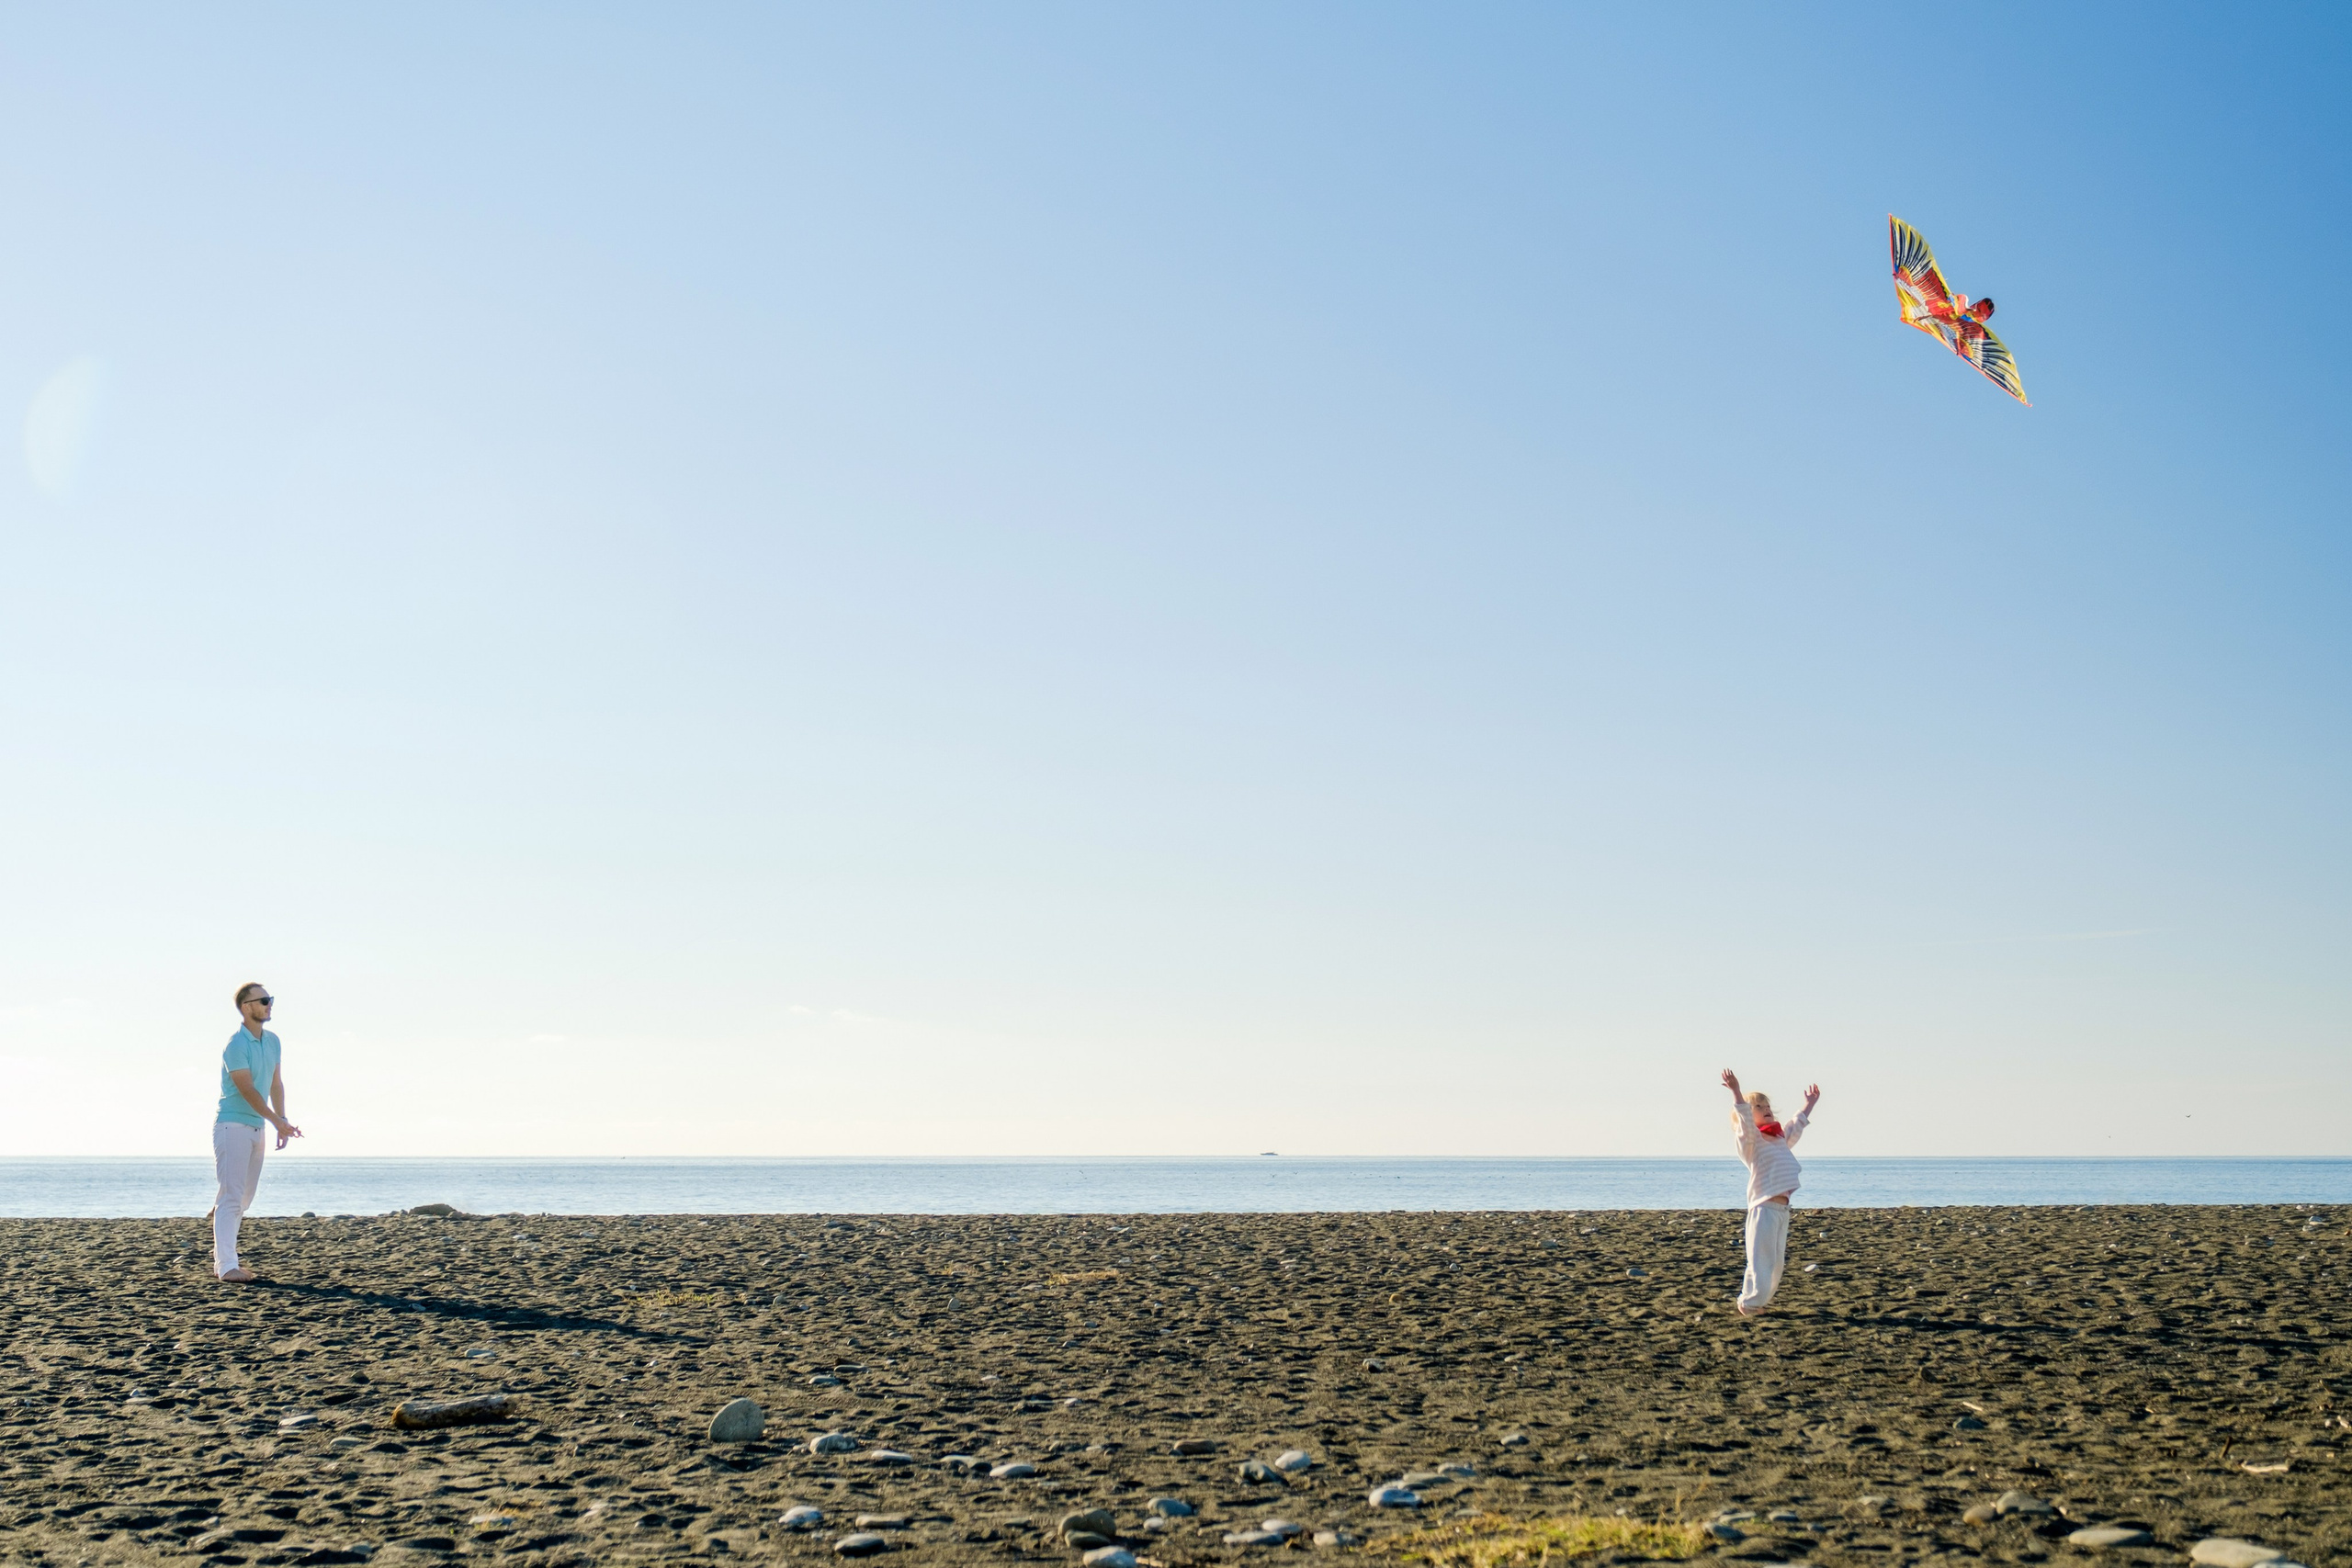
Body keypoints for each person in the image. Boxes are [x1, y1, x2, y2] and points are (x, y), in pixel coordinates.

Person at [213, 983, 301, 1282]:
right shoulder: (235, 1045)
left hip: (258, 1126)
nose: (269, 1005)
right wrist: (276, 1120)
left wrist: (282, 1119)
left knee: (244, 1198)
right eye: (263, 1000)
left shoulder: (273, 1041)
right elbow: (247, 1090)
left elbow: (276, 1083)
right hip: (232, 1126)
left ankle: (225, 1254)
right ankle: (226, 1266)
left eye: (270, 999)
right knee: (232, 1197)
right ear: (246, 1006)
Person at [1720, 1067, 1819, 1316]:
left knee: (1776, 1263)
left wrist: (1808, 1105)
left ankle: (1758, 1302)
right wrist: (1736, 1092)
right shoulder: (1751, 1144)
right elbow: (1745, 1123)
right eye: (1759, 1106)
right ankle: (1749, 1303)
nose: (1766, 1109)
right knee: (1760, 1259)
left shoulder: (1777, 1139)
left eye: (1767, 1106)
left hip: (1781, 1209)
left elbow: (1795, 1127)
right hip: (1763, 1207)